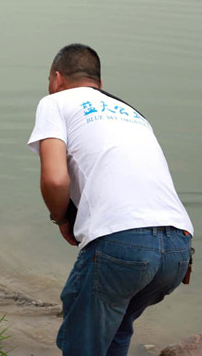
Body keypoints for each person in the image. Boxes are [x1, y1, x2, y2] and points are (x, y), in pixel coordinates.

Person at [27, 43, 194, 356]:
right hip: (178, 248)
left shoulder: (56, 102)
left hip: (123, 242)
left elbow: (54, 178)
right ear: (99, 85)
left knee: (82, 345)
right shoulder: (135, 114)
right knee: (115, 332)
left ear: (57, 79)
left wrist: (62, 218)